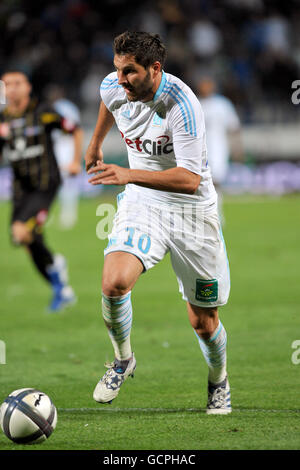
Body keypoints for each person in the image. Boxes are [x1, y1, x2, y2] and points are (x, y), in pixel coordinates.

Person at [85, 31, 231, 414]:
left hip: (192, 211)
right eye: (117, 69)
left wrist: (127, 174)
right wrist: (95, 143)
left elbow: (189, 180)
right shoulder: (116, 86)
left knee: (204, 321)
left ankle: (219, 379)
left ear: (155, 68)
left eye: (129, 72)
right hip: (144, 202)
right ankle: (122, 360)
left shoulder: (182, 105)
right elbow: (107, 100)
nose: (120, 79)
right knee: (114, 283)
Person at [0, 70, 80, 312]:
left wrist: (77, 161)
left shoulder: (43, 112)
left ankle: (59, 278)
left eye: (17, 83)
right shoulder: (3, 119)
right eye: (7, 84)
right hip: (20, 189)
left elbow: (74, 130)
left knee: (22, 231)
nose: (12, 88)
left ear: (27, 87)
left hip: (45, 184)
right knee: (25, 239)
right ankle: (60, 286)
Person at [196, 76, 243, 223]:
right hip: (197, 149)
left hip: (218, 148)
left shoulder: (222, 104)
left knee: (216, 181)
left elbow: (234, 127)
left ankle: (216, 212)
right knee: (200, 182)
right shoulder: (194, 102)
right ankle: (203, 214)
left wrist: (237, 148)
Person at [46, 84, 84, 229]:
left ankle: (62, 215)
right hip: (69, 144)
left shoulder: (55, 108)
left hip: (61, 144)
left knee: (58, 180)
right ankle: (68, 214)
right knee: (67, 181)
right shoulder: (71, 107)